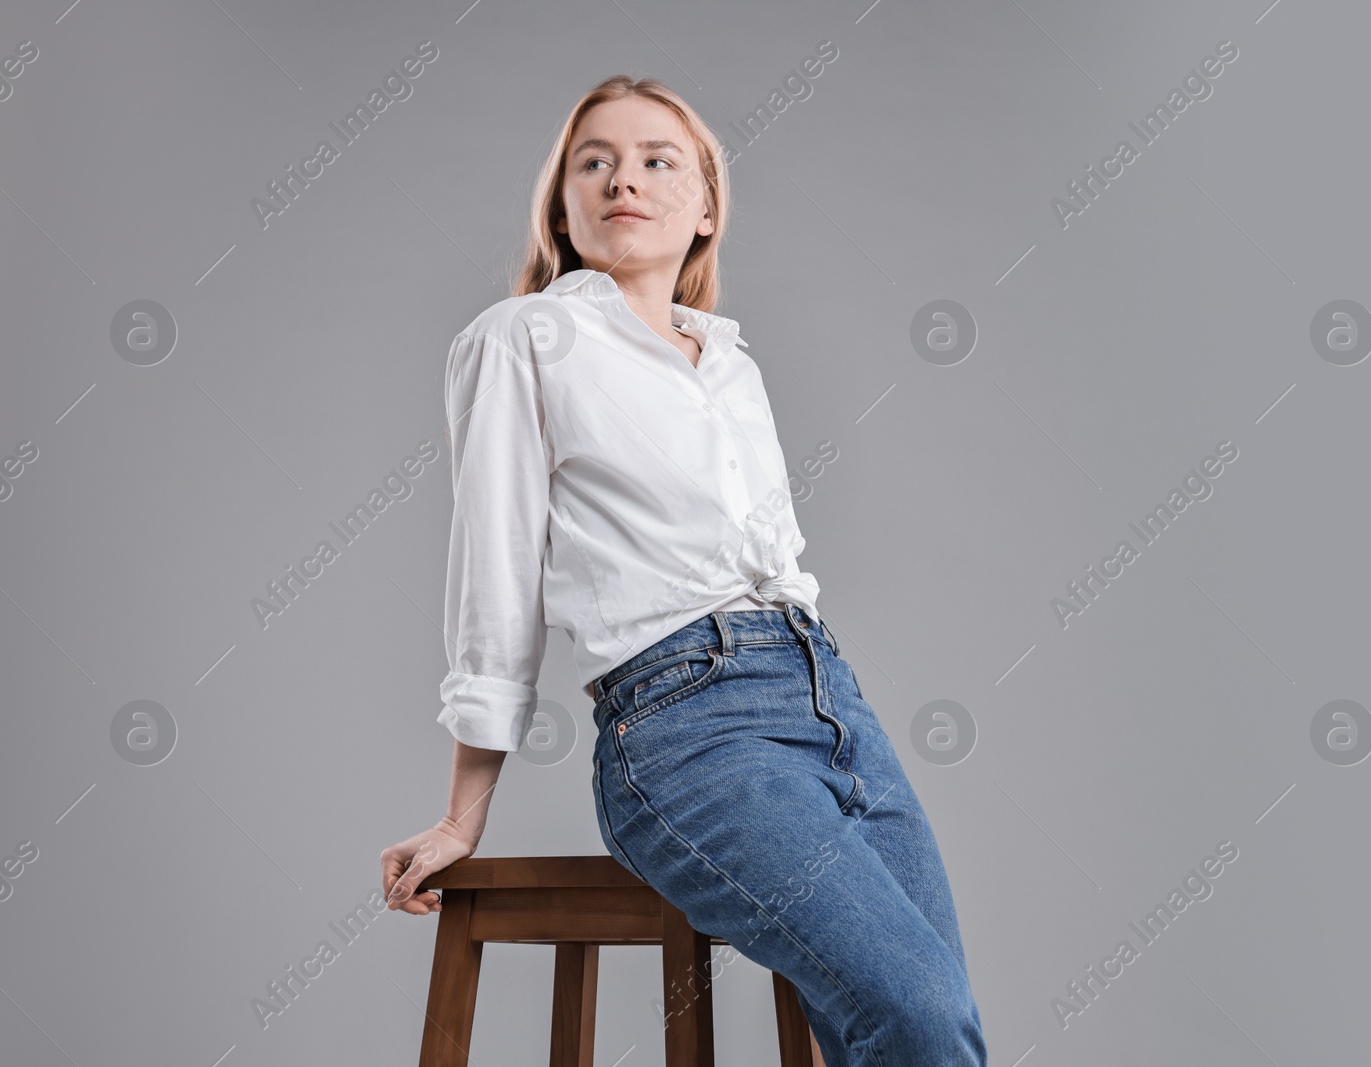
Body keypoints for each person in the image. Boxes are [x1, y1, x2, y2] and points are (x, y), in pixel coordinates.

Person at [380, 73, 988, 1066]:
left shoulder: (727, 361)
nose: (626, 178)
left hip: (833, 703)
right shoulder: (525, 338)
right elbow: (493, 567)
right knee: (914, 1011)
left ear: (705, 206)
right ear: (564, 208)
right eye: (595, 162)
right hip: (684, 724)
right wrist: (463, 810)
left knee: (936, 1022)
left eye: (659, 160)